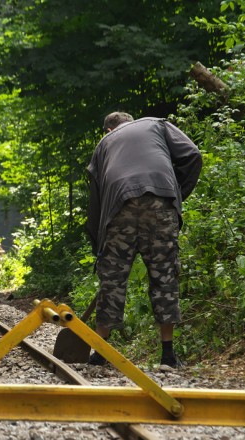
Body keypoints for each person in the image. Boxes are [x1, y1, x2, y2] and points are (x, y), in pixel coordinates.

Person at [86, 112, 201, 368]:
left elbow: (96, 201)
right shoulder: (156, 124)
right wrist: (176, 195)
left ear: (109, 129)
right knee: (164, 276)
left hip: (119, 206)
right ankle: (168, 356)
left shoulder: (104, 144)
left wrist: (99, 245)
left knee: (113, 279)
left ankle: (100, 353)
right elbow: (192, 154)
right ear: (131, 121)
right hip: (162, 202)